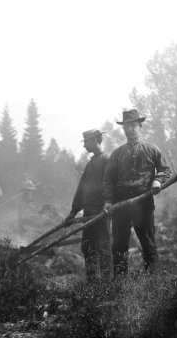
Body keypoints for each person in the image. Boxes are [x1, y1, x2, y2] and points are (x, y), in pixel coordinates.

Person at [102, 108, 171, 275]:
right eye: (126, 127)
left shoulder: (152, 150)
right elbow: (108, 180)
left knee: (148, 243)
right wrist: (109, 201)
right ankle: (120, 284)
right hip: (120, 206)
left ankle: (153, 281)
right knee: (119, 246)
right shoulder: (117, 154)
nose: (129, 129)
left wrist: (157, 180)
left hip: (143, 204)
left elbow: (165, 169)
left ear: (139, 126)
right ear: (123, 129)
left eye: (132, 126)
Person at [66, 129, 111, 280]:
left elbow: (111, 185)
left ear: (94, 140)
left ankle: (107, 283)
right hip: (88, 212)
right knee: (87, 246)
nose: (84, 146)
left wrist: (107, 204)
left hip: (101, 212)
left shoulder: (106, 160)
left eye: (85, 142)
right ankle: (92, 282)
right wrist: (73, 212)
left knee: (103, 247)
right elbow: (81, 189)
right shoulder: (90, 163)